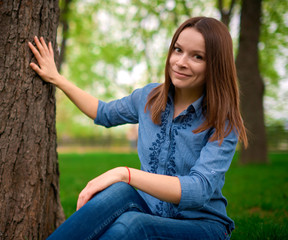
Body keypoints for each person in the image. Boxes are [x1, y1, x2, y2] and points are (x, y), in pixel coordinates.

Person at [28, 16, 248, 240]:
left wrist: (126, 174)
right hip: (151, 210)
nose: (181, 62)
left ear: (215, 65)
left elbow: (198, 190)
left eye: (197, 57)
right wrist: (56, 78)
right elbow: (103, 112)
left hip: (202, 226)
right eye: (178, 50)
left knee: (134, 223)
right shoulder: (148, 98)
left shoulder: (224, 120)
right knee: (119, 193)